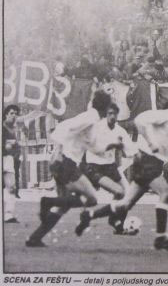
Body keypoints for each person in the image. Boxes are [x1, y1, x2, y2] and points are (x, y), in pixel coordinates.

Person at [77, 86, 168, 251]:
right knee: (165, 193)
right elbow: (140, 120)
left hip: (153, 163)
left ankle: (89, 216)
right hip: (147, 161)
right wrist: (150, 142)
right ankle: (160, 238)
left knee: (125, 204)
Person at [26, 90, 113, 247]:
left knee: (63, 206)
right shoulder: (91, 117)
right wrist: (58, 151)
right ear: (105, 107)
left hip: (64, 163)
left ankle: (35, 238)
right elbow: (67, 128)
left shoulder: (91, 118)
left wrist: (113, 146)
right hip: (67, 163)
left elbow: (92, 145)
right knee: (92, 198)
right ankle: (47, 201)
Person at [79, 103, 137, 234]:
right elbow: (94, 148)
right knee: (118, 192)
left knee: (127, 196)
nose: (112, 116)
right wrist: (112, 145)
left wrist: (137, 153)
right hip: (94, 166)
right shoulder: (98, 128)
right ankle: (94, 215)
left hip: (110, 166)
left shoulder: (120, 131)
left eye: (114, 114)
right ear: (105, 115)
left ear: (117, 115)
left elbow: (130, 149)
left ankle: (117, 223)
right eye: (109, 113)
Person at [3, 105, 20, 223]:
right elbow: (6, 146)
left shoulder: (13, 129)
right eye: (12, 113)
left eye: (16, 113)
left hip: (8, 159)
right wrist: (8, 145)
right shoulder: (2, 127)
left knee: (11, 187)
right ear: (6, 114)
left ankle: (8, 215)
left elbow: (11, 148)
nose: (14, 116)